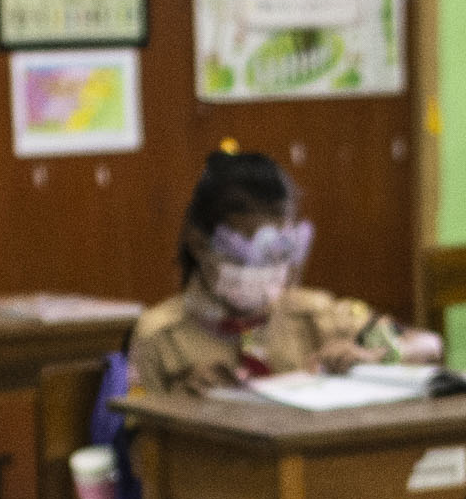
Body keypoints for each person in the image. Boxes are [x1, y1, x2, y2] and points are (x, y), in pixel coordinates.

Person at [124, 147, 437, 399]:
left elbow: (428, 345)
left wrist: (376, 356)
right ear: (198, 243)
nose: (262, 272)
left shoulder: (316, 315)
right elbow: (139, 456)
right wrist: (181, 411)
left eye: (278, 256)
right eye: (243, 255)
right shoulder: (159, 337)